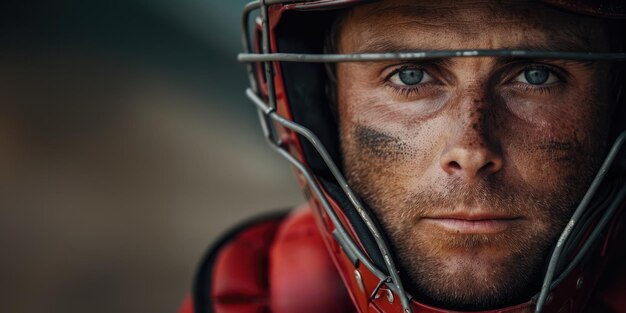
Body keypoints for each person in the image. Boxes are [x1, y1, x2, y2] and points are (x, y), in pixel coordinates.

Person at [180, 1, 626, 312]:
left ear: (615, 98)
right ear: (324, 100)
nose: (471, 151)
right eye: (410, 75)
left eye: (536, 75)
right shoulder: (250, 293)